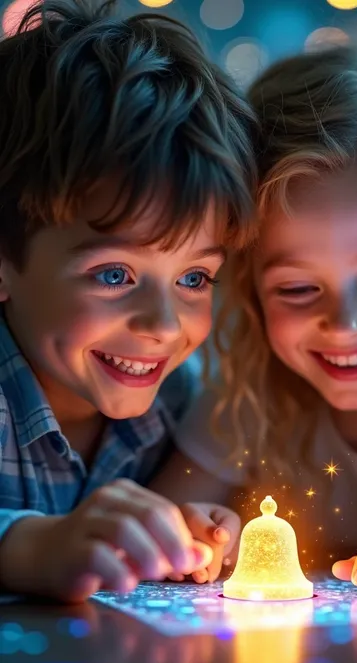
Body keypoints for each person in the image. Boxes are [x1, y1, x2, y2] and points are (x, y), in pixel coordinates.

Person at [155, 43, 357, 596]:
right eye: (298, 288)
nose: (344, 322)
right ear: (249, 285)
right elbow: (157, 521)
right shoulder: (244, 402)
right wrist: (189, 531)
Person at [0, 0, 256, 602]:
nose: (164, 328)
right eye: (114, 274)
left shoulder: (178, 401)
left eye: (194, 278)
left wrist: (174, 533)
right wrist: (33, 546)